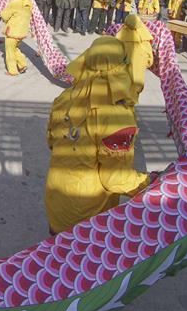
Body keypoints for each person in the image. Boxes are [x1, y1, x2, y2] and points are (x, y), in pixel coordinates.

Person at [44, 35, 152, 233]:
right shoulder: (117, 115)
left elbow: (51, 142)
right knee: (79, 262)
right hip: (87, 215)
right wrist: (149, 183)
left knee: (56, 258)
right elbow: (115, 180)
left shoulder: (64, 98)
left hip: (56, 202)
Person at [0, 0, 34, 76]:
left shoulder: (15, 3)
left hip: (12, 31)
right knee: (15, 48)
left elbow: (4, 16)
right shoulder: (29, 3)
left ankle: (12, 71)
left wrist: (1, 13)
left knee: (10, 51)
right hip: (22, 32)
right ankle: (22, 65)